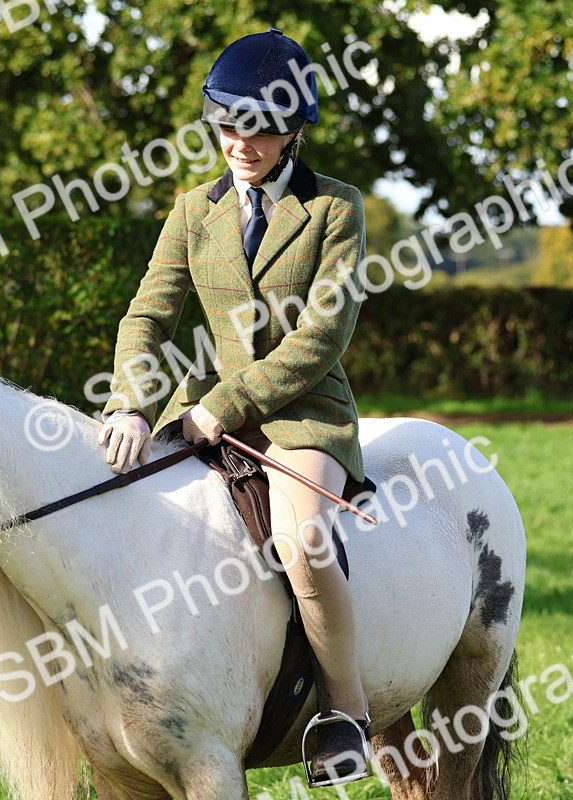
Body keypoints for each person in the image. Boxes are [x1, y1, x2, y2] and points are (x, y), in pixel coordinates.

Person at [97, 29, 371, 785]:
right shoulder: (193, 210)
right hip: (200, 412)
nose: (242, 142)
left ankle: (345, 713)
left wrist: (228, 399)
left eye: (260, 128)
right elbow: (146, 318)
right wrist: (128, 403)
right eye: (229, 125)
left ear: (294, 130)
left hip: (304, 413)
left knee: (305, 542)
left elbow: (321, 338)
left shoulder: (335, 211)